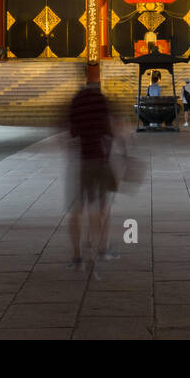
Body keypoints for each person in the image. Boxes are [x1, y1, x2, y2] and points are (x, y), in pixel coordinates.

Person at [67, 81, 116, 270]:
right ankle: (99, 249)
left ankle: (77, 255)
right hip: (102, 160)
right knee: (102, 207)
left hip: (82, 160)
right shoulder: (102, 102)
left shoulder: (76, 103)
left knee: (78, 209)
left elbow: (72, 132)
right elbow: (110, 130)